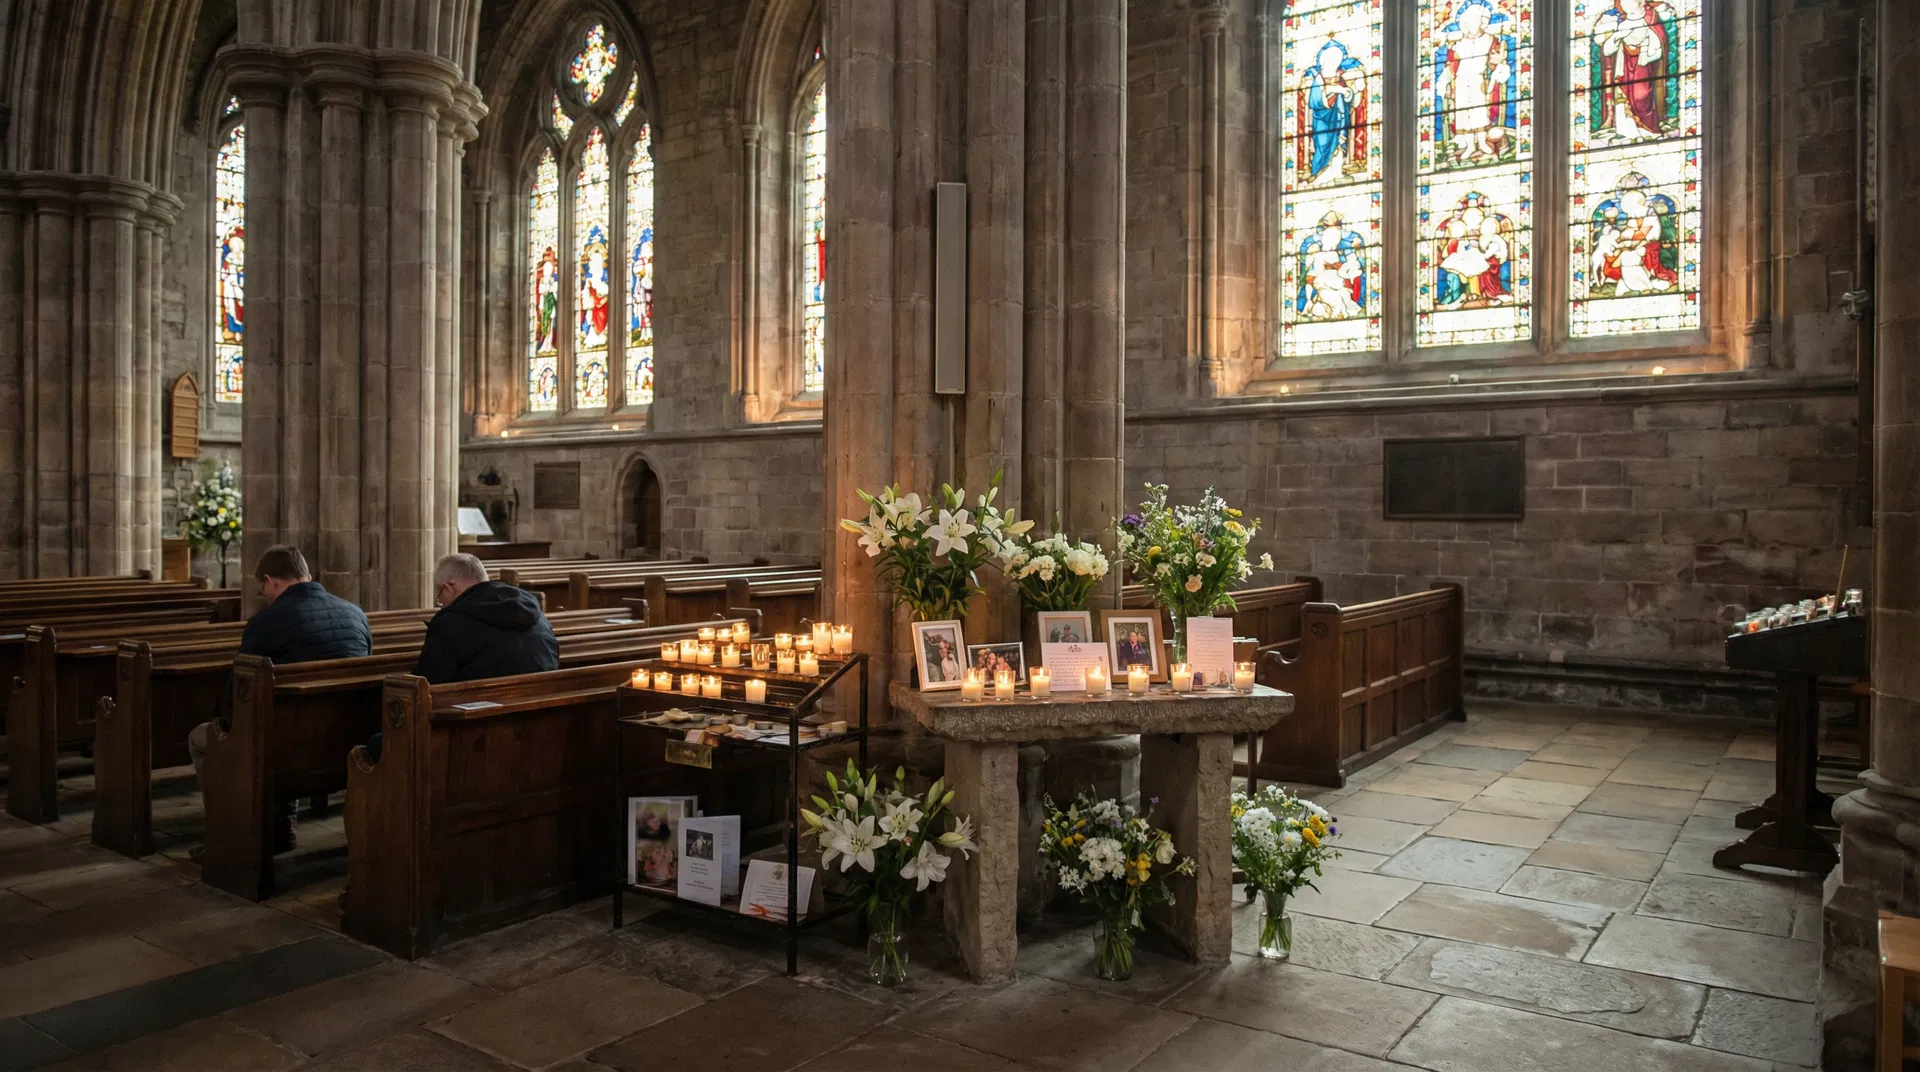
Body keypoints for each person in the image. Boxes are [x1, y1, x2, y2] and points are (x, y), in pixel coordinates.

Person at [188, 545, 370, 853]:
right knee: (290, 718)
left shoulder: (266, 623)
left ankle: (228, 837)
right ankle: (281, 828)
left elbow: (240, 693)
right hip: (349, 741)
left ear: (272, 580)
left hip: (288, 750)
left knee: (204, 738)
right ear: (306, 575)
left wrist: (226, 727)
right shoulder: (355, 613)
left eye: (263, 588)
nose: (265, 594)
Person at [362, 554, 558, 764]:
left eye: (440, 597)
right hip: (543, 731)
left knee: (374, 745)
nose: (441, 604)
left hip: (478, 741)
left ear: (449, 587)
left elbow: (426, 689)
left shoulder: (451, 622)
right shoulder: (535, 614)